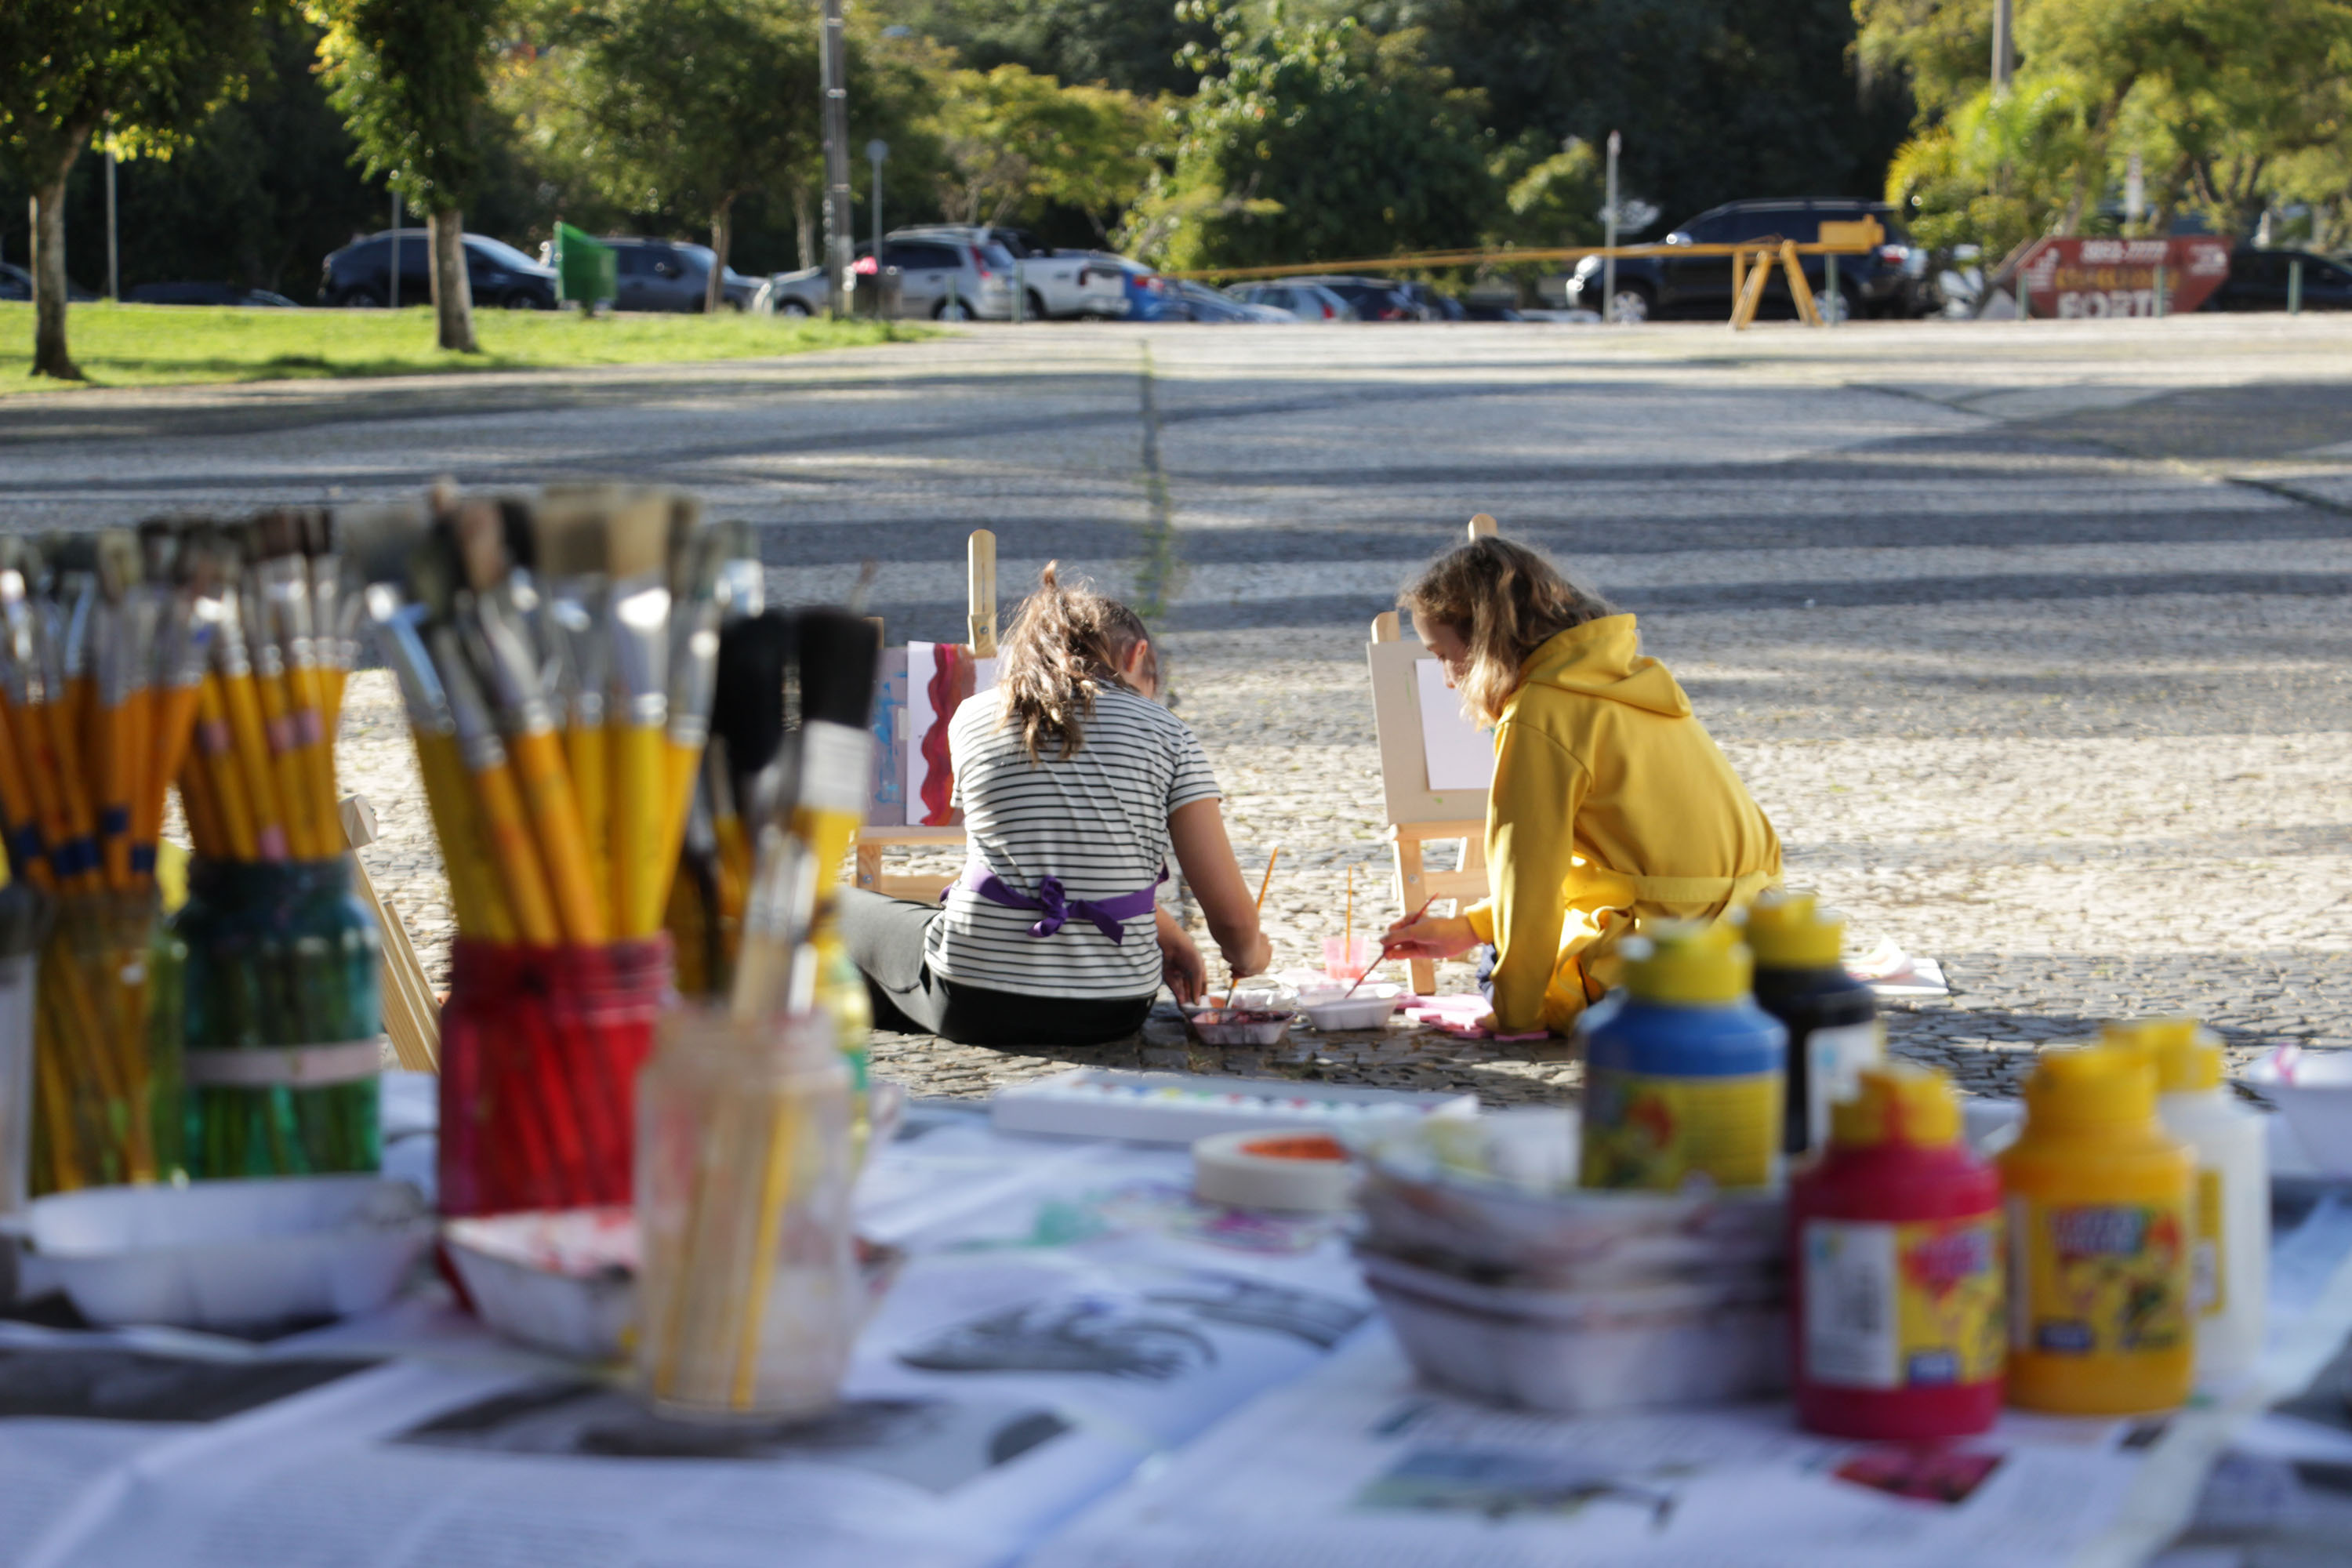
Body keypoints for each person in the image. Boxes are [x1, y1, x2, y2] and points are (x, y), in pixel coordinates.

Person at [837, 565, 1272, 1047]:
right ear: (1137, 654)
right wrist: (1251, 957)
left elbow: (1023, 859)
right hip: (1116, 1010)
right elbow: (1233, 923)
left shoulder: (971, 717)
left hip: (971, 1000)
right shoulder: (1169, 733)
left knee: (832, 905)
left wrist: (1166, 931)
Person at [1382, 536, 1781, 1034]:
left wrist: (1513, 1017)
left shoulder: (1539, 712)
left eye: (1444, 654)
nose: (1446, 678)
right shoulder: (1628, 675)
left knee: (1496, 968)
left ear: (1486, 642)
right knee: (1494, 943)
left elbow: (1529, 881)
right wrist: (1471, 926)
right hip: (1763, 944)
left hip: (1670, 964)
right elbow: (1617, 857)